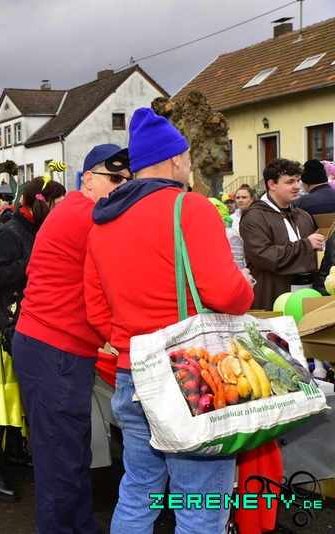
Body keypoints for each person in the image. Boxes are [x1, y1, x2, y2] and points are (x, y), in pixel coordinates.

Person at [84, 108, 254, 534]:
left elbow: (96, 310)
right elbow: (226, 294)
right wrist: (246, 286)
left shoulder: (102, 221)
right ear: (176, 159)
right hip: (191, 375)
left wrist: (131, 339)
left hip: (132, 373)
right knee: (200, 506)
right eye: (189, 157)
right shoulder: (189, 207)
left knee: (138, 491)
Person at [13, 144, 130, 531]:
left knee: (73, 451)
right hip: (55, 348)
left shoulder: (78, 209)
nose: (123, 187)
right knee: (60, 459)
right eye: (115, 178)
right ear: (89, 179)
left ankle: (81, 526)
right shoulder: (87, 215)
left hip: (58, 347)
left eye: (128, 181)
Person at [0, 177, 66, 504]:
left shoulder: (37, 229)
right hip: (0, 328)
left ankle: (14, 452)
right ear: (40, 202)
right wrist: (31, 264)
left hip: (24, 326)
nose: (60, 209)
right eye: (56, 203)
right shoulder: (10, 231)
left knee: (18, 396)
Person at [240, 158, 322, 311]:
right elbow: (262, 255)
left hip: (307, 294)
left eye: (298, 180)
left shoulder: (303, 215)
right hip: (273, 293)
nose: (297, 186)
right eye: (290, 182)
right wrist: (306, 245)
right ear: (272, 184)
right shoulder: (254, 216)